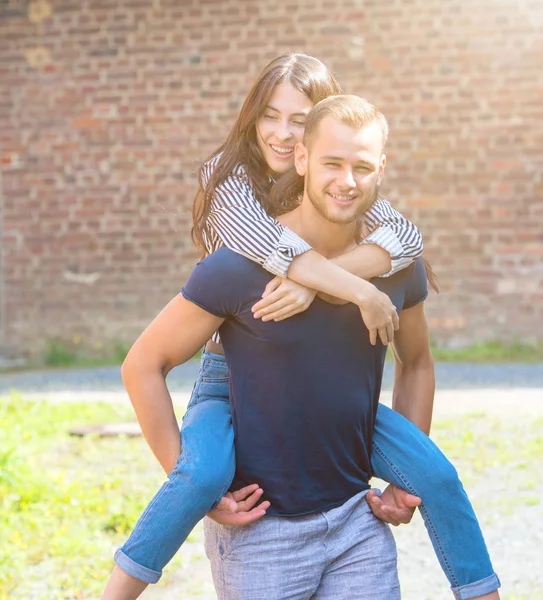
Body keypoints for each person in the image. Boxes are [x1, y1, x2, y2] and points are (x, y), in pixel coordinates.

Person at [101, 55, 500, 600]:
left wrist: (322, 280)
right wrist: (353, 288)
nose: (284, 135)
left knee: (436, 476)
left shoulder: (346, 188)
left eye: (301, 118)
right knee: (197, 477)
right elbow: (265, 254)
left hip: (341, 412)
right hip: (232, 374)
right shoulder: (234, 191)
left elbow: (404, 236)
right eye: (272, 116)